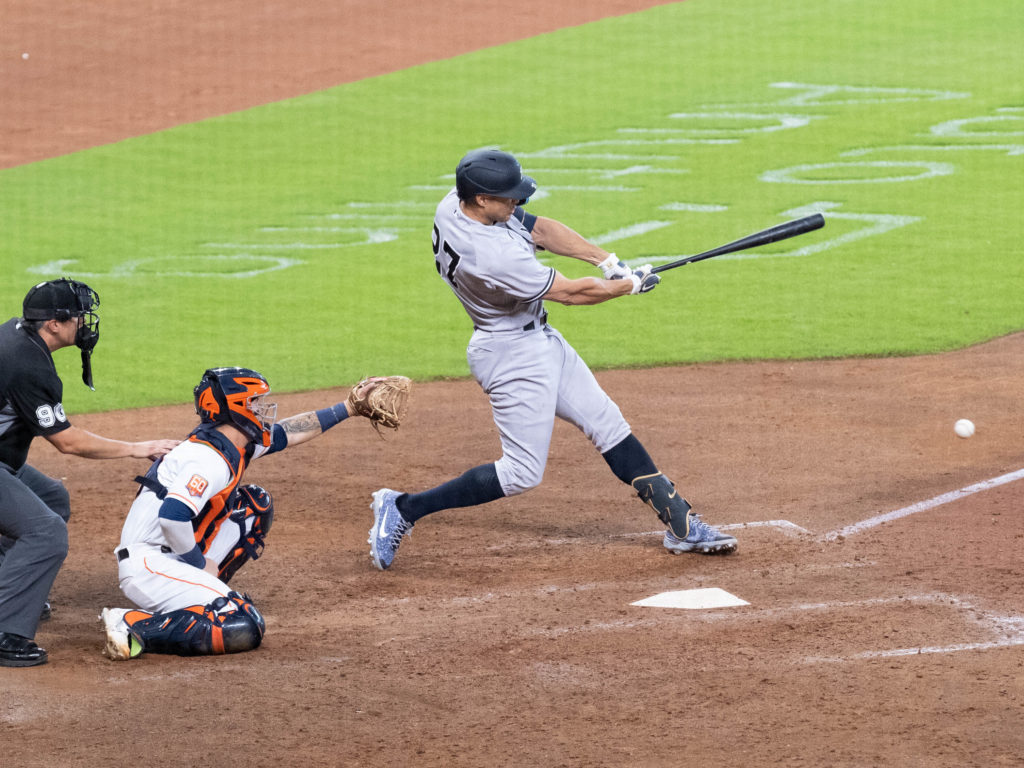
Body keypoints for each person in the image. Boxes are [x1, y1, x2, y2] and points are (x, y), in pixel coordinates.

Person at [368, 148, 738, 571]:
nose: (518, 204)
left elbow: (540, 230)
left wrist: (607, 262)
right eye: (509, 197)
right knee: (521, 473)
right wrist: (628, 287)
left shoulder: (455, 204)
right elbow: (570, 293)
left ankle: (682, 525)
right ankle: (402, 507)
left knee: (607, 423)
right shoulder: (491, 256)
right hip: (510, 357)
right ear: (483, 199)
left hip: (540, 341)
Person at [100, 368, 399, 660]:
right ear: (236, 408)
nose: (263, 409)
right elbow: (172, 516)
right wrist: (198, 563)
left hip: (170, 551)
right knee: (243, 624)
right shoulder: (209, 459)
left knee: (254, 507)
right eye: (255, 402)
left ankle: (196, 598)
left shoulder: (233, 442)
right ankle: (131, 623)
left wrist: (347, 408)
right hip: (148, 564)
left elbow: (286, 434)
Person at [0, 278, 178, 667]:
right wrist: (137, 448)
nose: (84, 323)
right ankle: (4, 630)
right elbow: (68, 442)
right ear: (52, 325)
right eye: (77, 317)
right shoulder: (25, 364)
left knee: (51, 497)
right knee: (45, 532)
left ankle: (9, 588)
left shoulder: (17, 335)